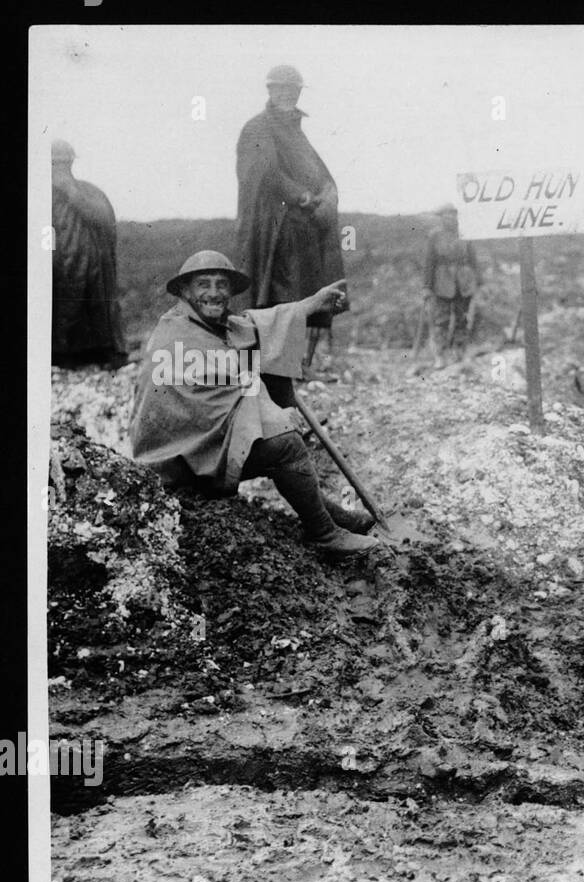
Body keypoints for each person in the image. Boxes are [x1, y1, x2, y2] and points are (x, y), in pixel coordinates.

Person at [129, 250, 377, 558]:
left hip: (201, 446)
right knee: (285, 444)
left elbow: (255, 325)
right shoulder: (176, 335)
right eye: (203, 284)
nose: (214, 293)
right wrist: (277, 414)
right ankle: (324, 534)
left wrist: (310, 304)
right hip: (179, 462)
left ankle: (334, 516)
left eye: (222, 284)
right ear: (185, 291)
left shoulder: (210, 325)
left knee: (277, 434)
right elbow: (231, 390)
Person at [235, 64, 344, 373]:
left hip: (302, 228)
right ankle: (273, 365)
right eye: (279, 88)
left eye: (292, 89)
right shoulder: (259, 127)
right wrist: (303, 196)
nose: (286, 94)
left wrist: (327, 191)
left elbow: (315, 169)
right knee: (280, 294)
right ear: (269, 90)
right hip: (275, 230)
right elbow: (265, 172)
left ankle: (294, 364)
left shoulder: (295, 132)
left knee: (304, 294)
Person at [51, 140, 127, 368]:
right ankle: (62, 353)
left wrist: (70, 191)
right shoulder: (39, 196)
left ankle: (101, 352)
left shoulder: (89, 192)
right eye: (55, 164)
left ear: (72, 162)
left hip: (93, 272)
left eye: (63, 163)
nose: (59, 170)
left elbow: (103, 218)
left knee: (94, 309)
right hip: (60, 270)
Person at [422, 204, 481, 362]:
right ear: (441, 218)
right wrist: (427, 287)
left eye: (453, 215)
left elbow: (473, 260)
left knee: (462, 319)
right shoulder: (434, 236)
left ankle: (458, 352)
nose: (451, 218)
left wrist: (478, 282)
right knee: (441, 320)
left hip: (464, 282)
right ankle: (440, 355)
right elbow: (429, 263)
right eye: (446, 215)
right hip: (442, 282)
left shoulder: (465, 233)